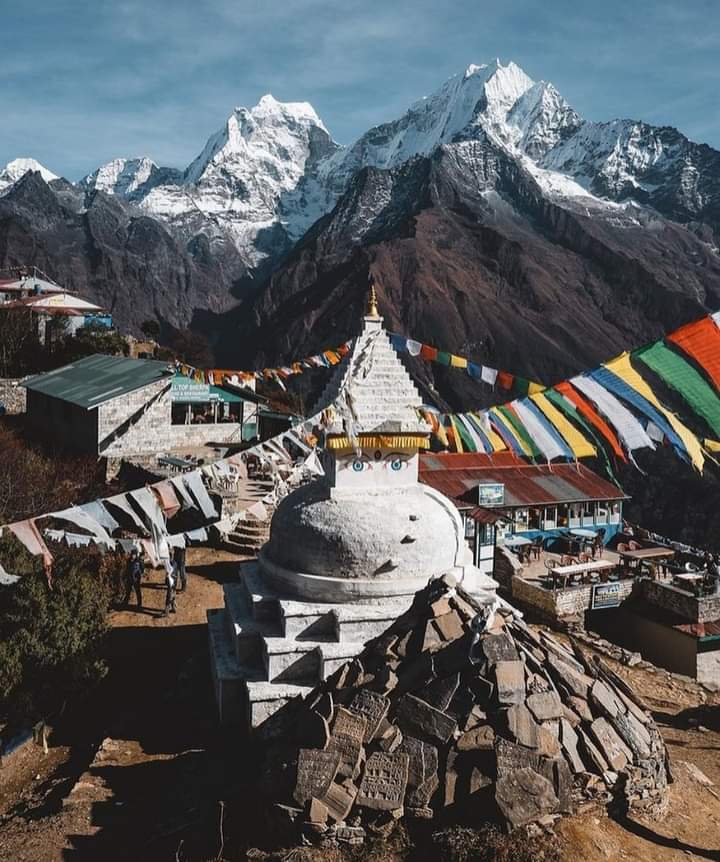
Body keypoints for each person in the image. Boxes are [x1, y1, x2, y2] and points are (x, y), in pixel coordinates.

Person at [162, 551, 177, 616]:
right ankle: (173, 608)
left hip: (172, 582)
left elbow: (170, 573)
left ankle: (166, 611)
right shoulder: (174, 563)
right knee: (172, 595)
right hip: (173, 582)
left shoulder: (171, 564)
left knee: (169, 596)